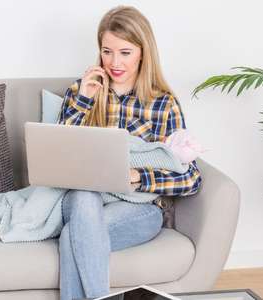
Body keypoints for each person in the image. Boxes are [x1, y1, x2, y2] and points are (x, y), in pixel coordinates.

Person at [57, 6, 202, 300]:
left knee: (73, 236)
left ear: (142, 53)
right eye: (107, 51)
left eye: (125, 52)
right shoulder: (82, 90)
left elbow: (190, 178)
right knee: (85, 199)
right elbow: (58, 153)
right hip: (85, 200)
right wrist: (84, 100)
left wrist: (139, 177)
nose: (114, 62)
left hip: (140, 208)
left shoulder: (163, 103)